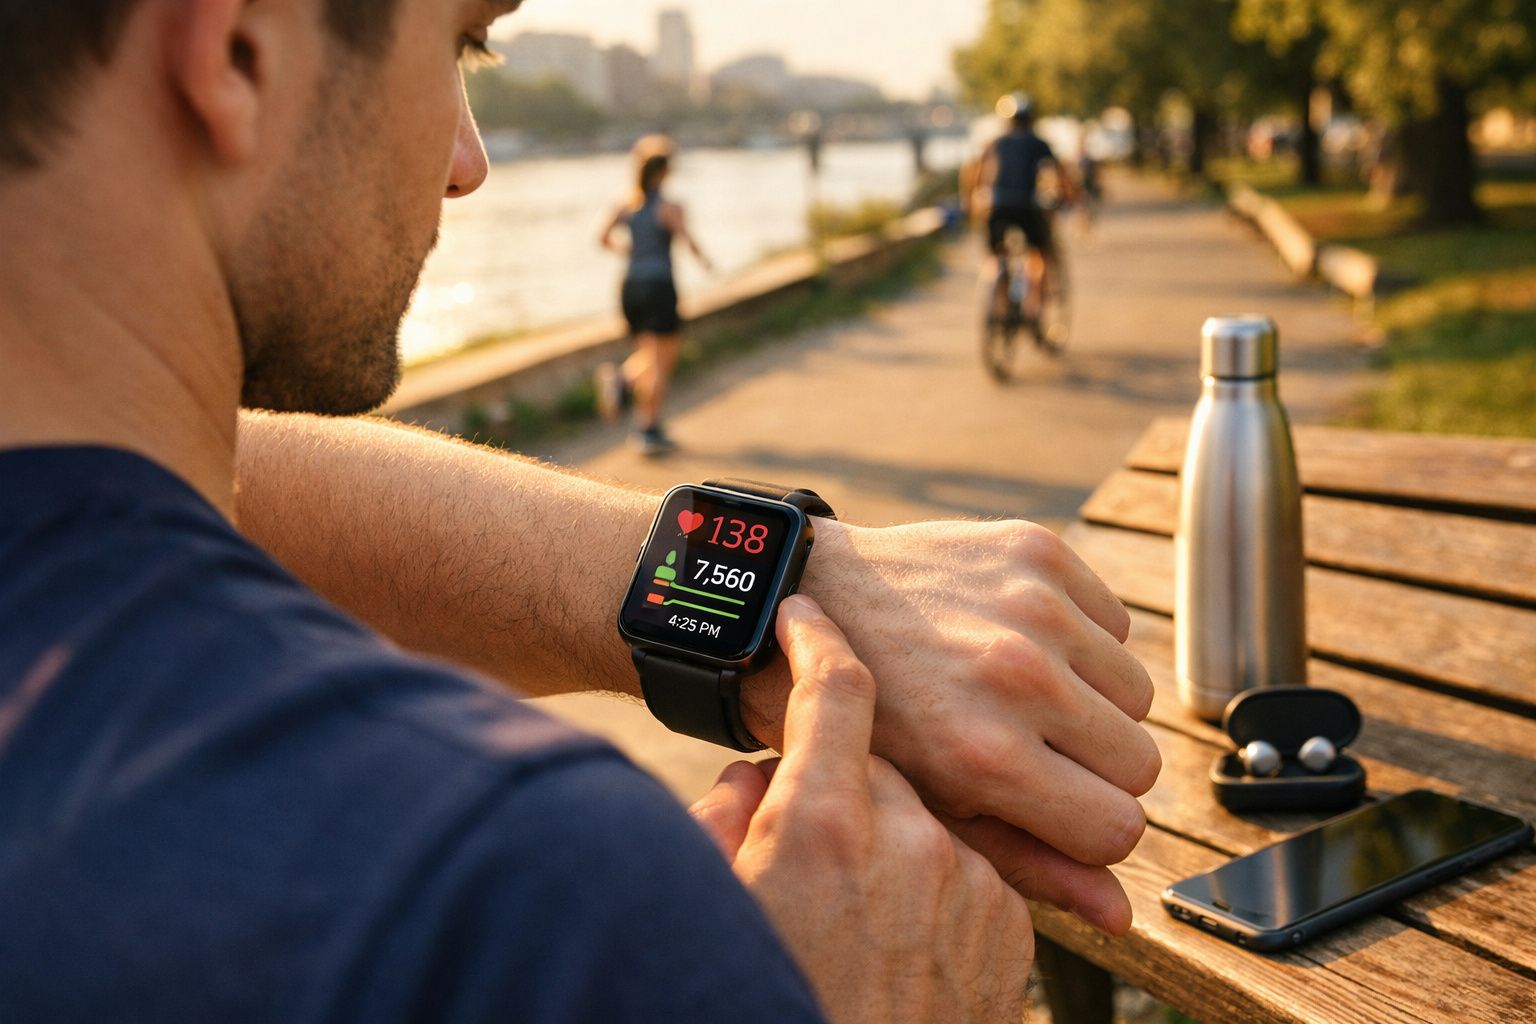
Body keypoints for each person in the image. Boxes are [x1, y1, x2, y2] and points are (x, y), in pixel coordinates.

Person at [0, 0, 1159, 1020]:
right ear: (239, 45)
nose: (467, 162)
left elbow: (201, 474)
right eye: (461, 41)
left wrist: (761, 582)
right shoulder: (517, 891)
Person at [595, 135, 712, 457]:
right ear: (664, 172)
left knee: (648, 353)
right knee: (662, 359)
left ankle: (622, 381)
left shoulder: (626, 206)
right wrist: (707, 263)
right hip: (659, 287)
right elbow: (689, 242)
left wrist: (629, 250)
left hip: (631, 287)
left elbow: (602, 238)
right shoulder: (670, 207)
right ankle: (649, 428)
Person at [971, 93, 1074, 323]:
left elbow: (977, 176)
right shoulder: (1039, 143)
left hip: (996, 207)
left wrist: (975, 203)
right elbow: (1059, 174)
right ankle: (1033, 308)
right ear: (1032, 119)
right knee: (1039, 255)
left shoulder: (995, 143)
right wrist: (1069, 197)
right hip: (1028, 206)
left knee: (995, 255)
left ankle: (995, 302)